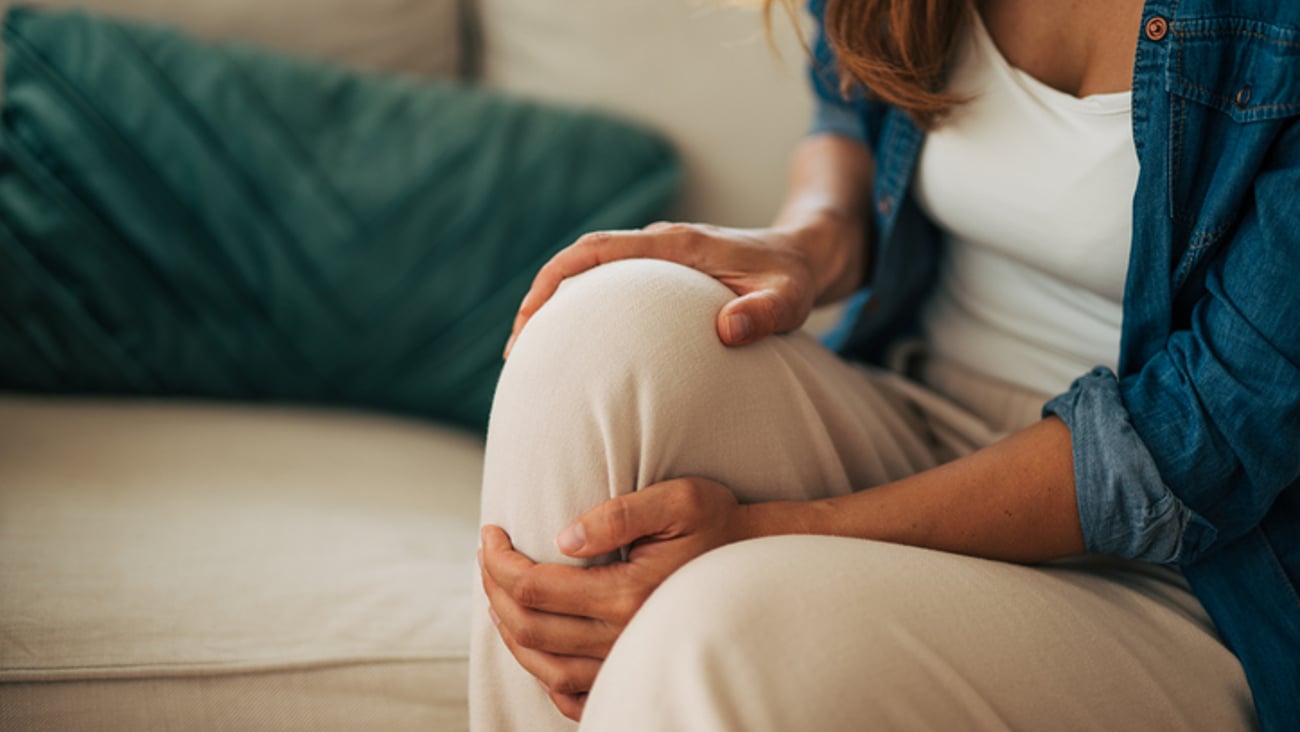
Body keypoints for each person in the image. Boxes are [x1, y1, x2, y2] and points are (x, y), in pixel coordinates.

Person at [470, 0, 1298, 728]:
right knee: (600, 327)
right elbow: (850, 115)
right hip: (922, 405)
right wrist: (808, 241)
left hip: (1197, 565)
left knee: (713, 626)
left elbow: (1204, 440)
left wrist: (771, 534)